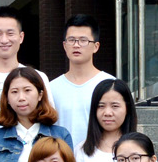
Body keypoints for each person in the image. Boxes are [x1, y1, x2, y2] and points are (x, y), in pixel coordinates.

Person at [49, 16, 116, 150]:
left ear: (96, 46)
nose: (76, 45)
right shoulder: (51, 88)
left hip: (98, 158)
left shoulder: (111, 85)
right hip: (61, 159)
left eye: (83, 40)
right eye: (71, 40)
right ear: (64, 45)